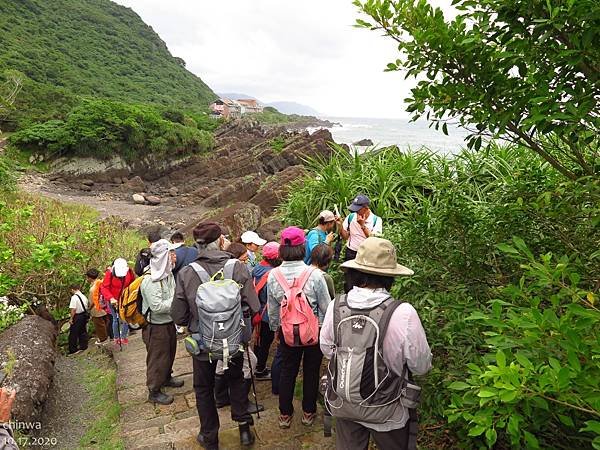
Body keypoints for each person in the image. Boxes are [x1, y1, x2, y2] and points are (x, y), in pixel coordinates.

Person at [320, 237, 432, 450]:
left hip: (345, 404)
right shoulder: (403, 312)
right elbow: (421, 365)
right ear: (390, 276)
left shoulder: (337, 305)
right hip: (388, 410)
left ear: (354, 272)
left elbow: (327, 349)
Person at [171, 221, 261, 449]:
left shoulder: (187, 273)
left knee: (203, 388)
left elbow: (178, 315)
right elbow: (254, 304)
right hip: (233, 339)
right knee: (237, 379)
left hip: (203, 342)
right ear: (221, 241)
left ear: (197, 245)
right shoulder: (237, 267)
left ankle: (210, 436)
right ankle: (244, 431)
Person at [267, 226, 331, 429]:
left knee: (288, 371)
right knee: (311, 372)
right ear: (303, 247)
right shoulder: (315, 275)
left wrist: (278, 330)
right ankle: (308, 412)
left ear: (281, 251)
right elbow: (326, 307)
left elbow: (273, 311)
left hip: (287, 333)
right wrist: (320, 328)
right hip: (313, 333)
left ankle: (285, 414)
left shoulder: (273, 275)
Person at [140, 239, 184, 405]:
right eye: (170, 253)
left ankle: (166, 377)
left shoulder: (167, 273)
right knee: (157, 357)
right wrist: (177, 303)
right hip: (156, 326)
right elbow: (157, 306)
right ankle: (154, 390)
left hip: (167, 322)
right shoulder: (151, 279)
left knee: (169, 352)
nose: (174, 256)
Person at [337, 194, 383, 293]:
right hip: (351, 253)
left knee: (365, 282)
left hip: (367, 255)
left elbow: (374, 240)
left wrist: (362, 225)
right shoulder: (351, 217)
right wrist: (340, 226)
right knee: (349, 282)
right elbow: (345, 237)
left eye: (358, 209)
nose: (355, 211)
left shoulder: (376, 220)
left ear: (366, 208)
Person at [251, 241, 281, 381]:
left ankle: (257, 365)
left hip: (256, 311)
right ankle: (260, 370)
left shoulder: (256, 268)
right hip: (267, 313)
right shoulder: (272, 274)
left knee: (258, 340)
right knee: (265, 342)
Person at [101, 258, 135, 347]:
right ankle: (116, 337)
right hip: (113, 300)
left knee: (125, 318)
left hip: (124, 298)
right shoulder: (109, 273)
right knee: (115, 319)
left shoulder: (129, 271)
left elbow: (132, 283)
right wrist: (111, 298)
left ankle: (123, 336)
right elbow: (104, 287)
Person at [86, 268, 109, 345]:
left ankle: (103, 340)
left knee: (99, 325)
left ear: (90, 277)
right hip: (105, 307)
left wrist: (89, 309)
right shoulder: (102, 283)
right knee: (106, 323)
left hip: (97, 309)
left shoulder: (93, 288)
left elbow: (92, 301)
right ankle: (108, 337)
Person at [68, 282, 90, 355]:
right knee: (82, 330)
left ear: (72, 289)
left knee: (73, 333)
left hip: (77, 316)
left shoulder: (74, 297)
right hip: (84, 315)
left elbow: (73, 309)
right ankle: (84, 346)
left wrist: (71, 318)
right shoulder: (83, 296)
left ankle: (73, 349)